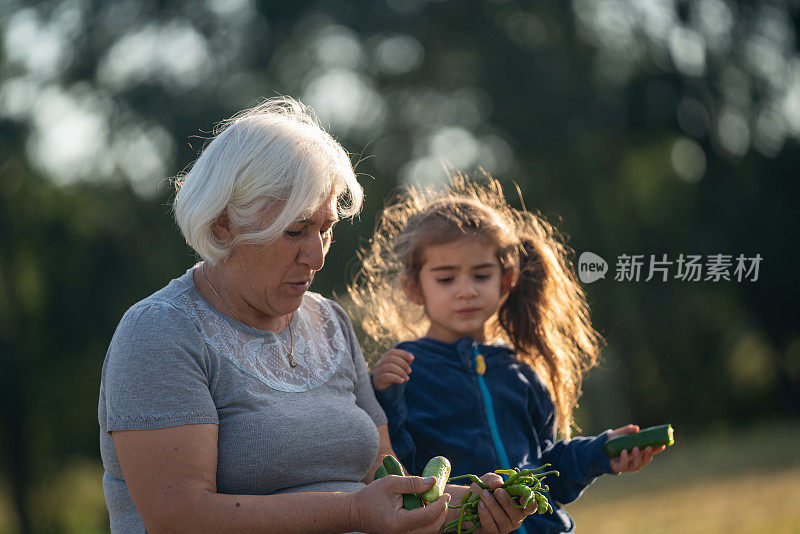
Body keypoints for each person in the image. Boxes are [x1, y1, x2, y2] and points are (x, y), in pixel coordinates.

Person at [98, 98, 538, 534]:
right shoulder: (160, 332)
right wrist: (351, 513)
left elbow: (385, 491)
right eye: (295, 231)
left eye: (325, 229)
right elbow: (180, 519)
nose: (317, 256)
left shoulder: (331, 322)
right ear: (222, 225)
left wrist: (469, 509)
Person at [348, 175, 665, 533]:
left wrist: (602, 451)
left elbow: (549, 470)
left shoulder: (521, 373)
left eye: (481, 275)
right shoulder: (403, 370)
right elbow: (395, 469)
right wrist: (384, 397)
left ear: (506, 281)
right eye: (446, 279)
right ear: (414, 288)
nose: (466, 291)